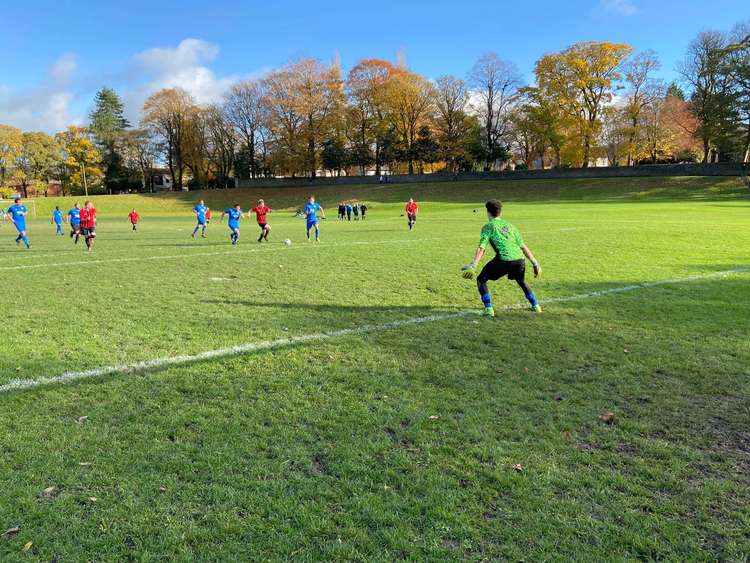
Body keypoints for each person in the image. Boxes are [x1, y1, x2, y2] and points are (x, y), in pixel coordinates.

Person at [461, 199, 542, 317]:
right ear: (500, 212)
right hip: (520, 260)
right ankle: (536, 305)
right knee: (521, 281)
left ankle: (488, 309)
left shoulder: (488, 227)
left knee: (481, 280)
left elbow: (482, 248)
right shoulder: (511, 226)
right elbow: (523, 247)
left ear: (488, 212)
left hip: (504, 260)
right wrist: (535, 263)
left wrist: (474, 265)